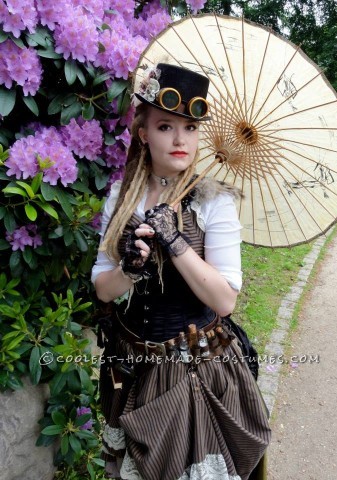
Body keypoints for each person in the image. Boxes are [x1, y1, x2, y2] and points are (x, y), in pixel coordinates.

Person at [92, 63, 271, 480]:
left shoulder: (213, 201)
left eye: (190, 128)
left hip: (193, 371)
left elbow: (224, 299)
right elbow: (102, 289)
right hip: (131, 364)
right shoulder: (122, 197)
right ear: (143, 133)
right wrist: (130, 270)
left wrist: (175, 243)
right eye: (165, 126)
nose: (179, 139)